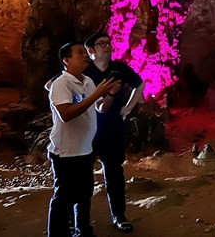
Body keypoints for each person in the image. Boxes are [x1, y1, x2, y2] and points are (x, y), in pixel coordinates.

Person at [47, 42, 120, 237]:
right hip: (66, 151)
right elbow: (66, 114)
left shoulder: (87, 81)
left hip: (85, 148)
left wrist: (110, 95)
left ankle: (84, 231)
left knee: (84, 194)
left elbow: (100, 108)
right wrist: (96, 94)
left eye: (85, 52)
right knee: (63, 197)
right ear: (66, 60)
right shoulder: (61, 84)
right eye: (80, 52)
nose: (86, 55)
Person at [81, 32, 145, 233]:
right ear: (90, 51)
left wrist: (127, 107)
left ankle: (119, 215)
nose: (107, 46)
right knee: (83, 179)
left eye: (108, 43)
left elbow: (140, 84)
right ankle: (81, 222)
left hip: (113, 131)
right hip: (86, 133)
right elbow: (51, 86)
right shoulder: (83, 71)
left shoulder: (119, 69)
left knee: (115, 176)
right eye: (101, 44)